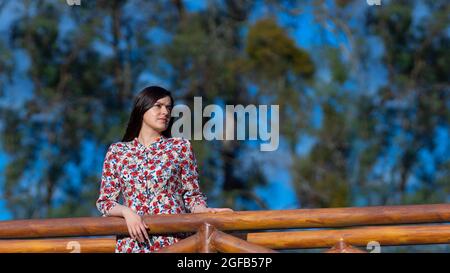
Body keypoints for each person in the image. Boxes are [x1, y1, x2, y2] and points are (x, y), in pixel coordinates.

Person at [96, 86, 233, 253]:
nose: (165, 112)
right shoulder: (117, 151)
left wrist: (205, 211)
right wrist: (126, 212)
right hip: (132, 243)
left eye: (169, 108)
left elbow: (192, 196)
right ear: (142, 109)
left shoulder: (180, 147)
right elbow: (106, 202)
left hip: (176, 241)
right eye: (158, 106)